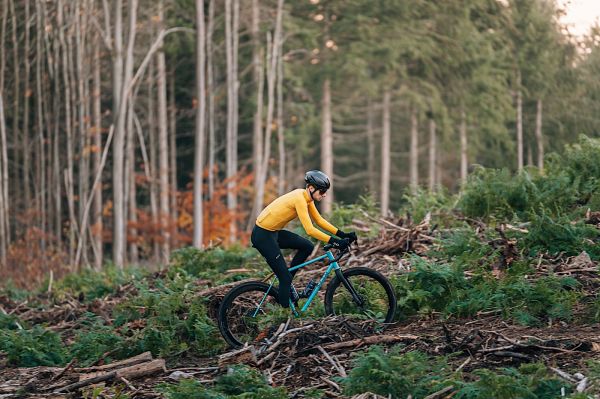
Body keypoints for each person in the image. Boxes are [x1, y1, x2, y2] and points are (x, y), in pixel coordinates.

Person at [251, 170, 357, 308]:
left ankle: (287, 282)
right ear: (311, 188)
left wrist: (343, 234)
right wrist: (335, 242)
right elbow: (310, 230)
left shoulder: (306, 197)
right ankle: (283, 310)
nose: (324, 194)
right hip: (262, 236)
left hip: (272, 232)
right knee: (284, 278)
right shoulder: (299, 198)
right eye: (322, 191)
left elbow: (319, 220)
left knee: (307, 246)